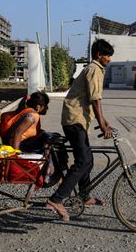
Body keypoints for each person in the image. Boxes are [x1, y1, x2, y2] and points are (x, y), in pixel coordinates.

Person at [46, 39, 114, 222]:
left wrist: (105, 122)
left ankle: (84, 196)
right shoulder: (93, 69)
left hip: (78, 121)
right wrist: (102, 124)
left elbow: (95, 103)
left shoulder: (96, 69)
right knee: (83, 161)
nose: (109, 59)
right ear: (99, 55)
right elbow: (95, 100)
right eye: (107, 55)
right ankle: (56, 199)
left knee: (88, 160)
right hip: (74, 120)